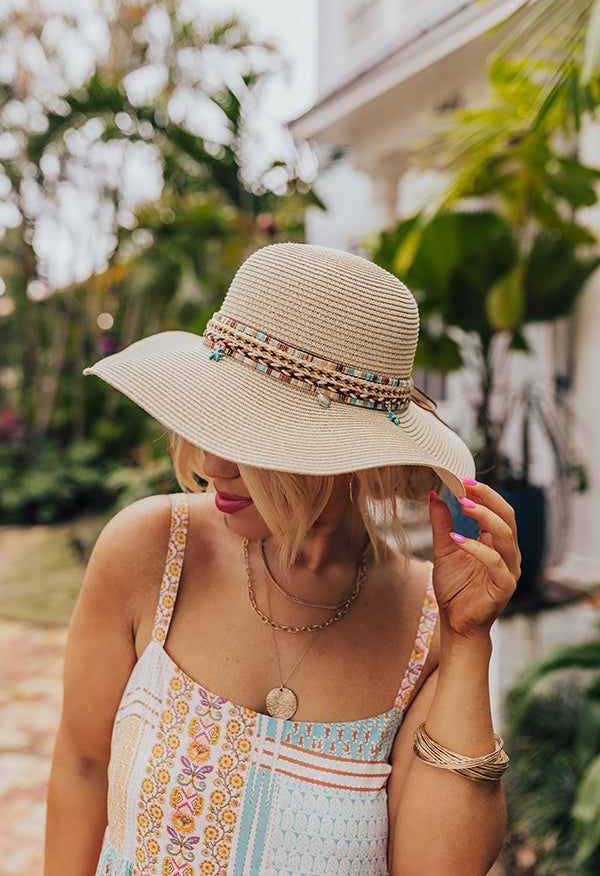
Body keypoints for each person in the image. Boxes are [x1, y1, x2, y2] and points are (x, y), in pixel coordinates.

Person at [44, 242, 519, 875]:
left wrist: (467, 641)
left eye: (253, 435)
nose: (212, 463)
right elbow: (82, 765)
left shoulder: (427, 624)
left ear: (345, 452)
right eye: (216, 418)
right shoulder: (152, 553)